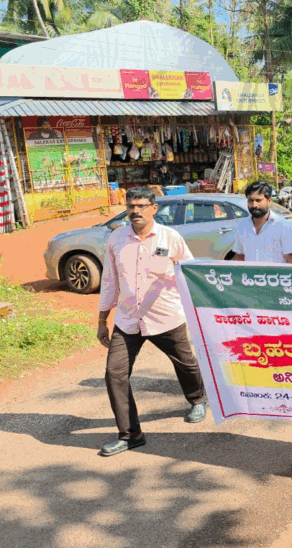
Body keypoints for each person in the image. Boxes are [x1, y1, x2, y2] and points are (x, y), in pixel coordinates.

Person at [96, 187, 208, 457]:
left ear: (154, 208)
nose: (135, 211)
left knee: (186, 362)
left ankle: (197, 399)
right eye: (131, 206)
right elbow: (109, 280)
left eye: (141, 206)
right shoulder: (116, 239)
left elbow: (189, 274)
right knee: (114, 374)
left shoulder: (171, 237)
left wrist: (197, 309)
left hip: (165, 317)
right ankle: (130, 435)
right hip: (128, 320)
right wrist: (102, 319)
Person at [231, 181, 292, 263]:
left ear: (269, 201)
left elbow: (290, 261)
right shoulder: (242, 225)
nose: (254, 205)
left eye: (258, 200)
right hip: (249, 272)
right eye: (250, 200)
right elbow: (239, 256)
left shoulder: (284, 226)